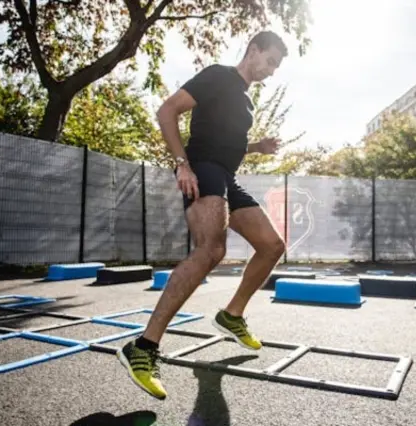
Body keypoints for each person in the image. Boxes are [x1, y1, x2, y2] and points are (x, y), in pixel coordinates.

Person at [117, 30, 289, 400]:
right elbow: (167, 110)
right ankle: (143, 348)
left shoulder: (245, 102)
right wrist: (182, 165)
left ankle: (232, 315)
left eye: (277, 66)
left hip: (226, 175)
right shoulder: (218, 75)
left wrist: (258, 146)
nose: (272, 70)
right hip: (203, 169)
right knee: (210, 250)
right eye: (271, 61)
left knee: (272, 245)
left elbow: (231, 143)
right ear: (253, 49)